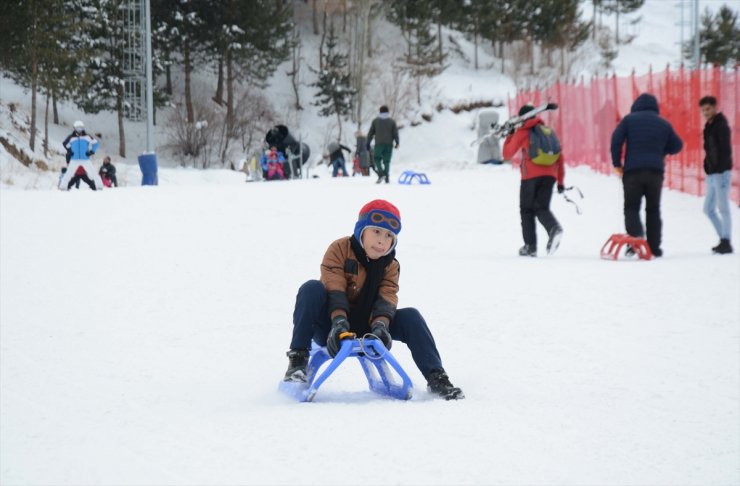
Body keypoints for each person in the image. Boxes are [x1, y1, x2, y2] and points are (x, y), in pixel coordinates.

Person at [282, 199, 464, 400]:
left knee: (412, 316)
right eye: (376, 231)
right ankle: (298, 360)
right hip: (331, 324)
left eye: (388, 236)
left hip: (369, 326)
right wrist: (339, 322)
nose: (381, 241)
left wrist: (381, 326)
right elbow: (334, 286)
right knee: (311, 288)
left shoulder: (391, 265)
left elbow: (387, 296)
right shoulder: (340, 249)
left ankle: (437, 377)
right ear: (361, 230)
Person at [610, 93, 683, 257]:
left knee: (631, 207)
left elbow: (616, 140)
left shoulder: (628, 120)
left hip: (632, 172)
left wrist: (617, 164)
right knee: (653, 210)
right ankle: (654, 248)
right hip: (655, 173)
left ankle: (637, 240)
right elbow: (678, 145)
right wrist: (660, 151)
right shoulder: (664, 124)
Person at [502, 104, 566, 257]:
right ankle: (553, 228)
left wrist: (510, 135)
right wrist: (560, 181)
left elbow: (507, 154)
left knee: (526, 210)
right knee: (541, 207)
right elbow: (560, 158)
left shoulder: (523, 132)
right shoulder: (549, 132)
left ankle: (530, 246)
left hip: (530, 176)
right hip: (550, 175)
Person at [699, 95, 733, 254]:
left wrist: (719, 168)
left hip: (721, 173)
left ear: (715, 107)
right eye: (703, 110)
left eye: (708, 109)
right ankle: (723, 239)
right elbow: (709, 150)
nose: (705, 112)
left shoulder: (721, 125)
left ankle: (726, 241)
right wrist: (707, 166)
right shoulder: (708, 127)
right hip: (712, 174)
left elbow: (725, 150)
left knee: (722, 207)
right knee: (708, 209)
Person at [59, 120, 104, 191]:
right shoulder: (71, 137)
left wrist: (91, 151)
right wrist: (69, 150)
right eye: (77, 128)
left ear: (83, 128)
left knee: (93, 173)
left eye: (81, 127)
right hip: (74, 159)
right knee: (68, 173)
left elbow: (96, 143)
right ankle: (63, 187)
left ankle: (99, 186)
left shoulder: (87, 136)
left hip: (85, 159)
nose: (79, 129)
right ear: (74, 128)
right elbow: (64, 143)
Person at [366, 105, 399, 184]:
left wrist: (368, 142)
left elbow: (371, 133)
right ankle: (386, 177)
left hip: (379, 144)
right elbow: (395, 133)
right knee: (386, 161)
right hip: (389, 144)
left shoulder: (376, 121)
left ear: (380, 111)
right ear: (388, 112)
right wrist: (397, 142)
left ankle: (381, 173)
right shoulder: (392, 121)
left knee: (376, 158)